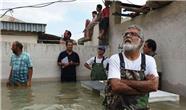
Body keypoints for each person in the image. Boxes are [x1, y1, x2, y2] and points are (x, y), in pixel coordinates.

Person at [104, 25, 159, 110]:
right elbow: (116, 87)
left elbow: (154, 86)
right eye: (126, 34)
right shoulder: (115, 58)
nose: (128, 36)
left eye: (133, 34)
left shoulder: (149, 60)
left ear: (141, 41)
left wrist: (123, 81)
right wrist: (143, 90)